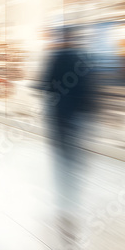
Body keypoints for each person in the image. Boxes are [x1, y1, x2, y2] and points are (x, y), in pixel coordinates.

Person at [40, 26, 97, 237]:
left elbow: (44, 84)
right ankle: (74, 201)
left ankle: (65, 206)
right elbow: (91, 89)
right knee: (74, 159)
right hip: (79, 117)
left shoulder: (54, 57)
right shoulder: (84, 56)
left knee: (61, 161)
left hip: (58, 116)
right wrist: (92, 112)